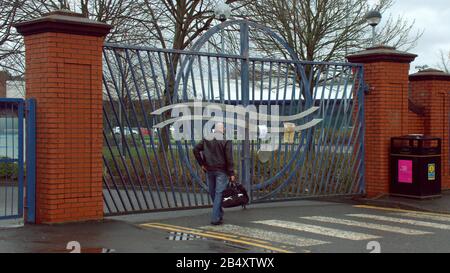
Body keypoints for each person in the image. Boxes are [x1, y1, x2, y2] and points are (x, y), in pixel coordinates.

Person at [193, 122, 235, 225]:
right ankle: (215, 218)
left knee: (213, 193)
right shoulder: (226, 140)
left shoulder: (207, 138)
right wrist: (231, 173)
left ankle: (219, 213)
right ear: (223, 129)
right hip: (221, 171)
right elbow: (229, 158)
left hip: (209, 170)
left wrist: (202, 164)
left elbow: (195, 149)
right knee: (219, 193)